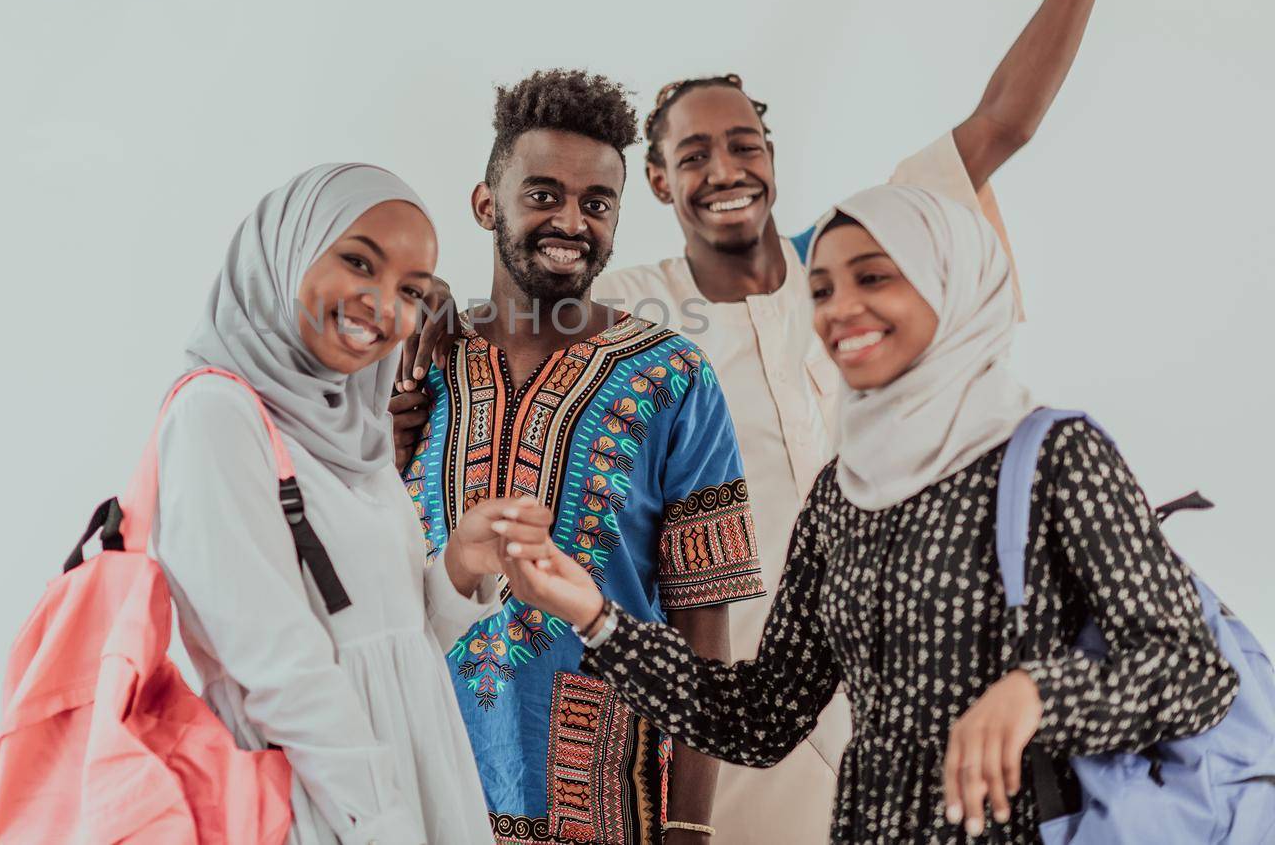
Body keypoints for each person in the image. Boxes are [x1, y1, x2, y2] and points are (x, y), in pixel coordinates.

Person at [554, 0, 1140, 839]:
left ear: (773, 157)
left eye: (744, 145)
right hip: (749, 713)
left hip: (926, 684)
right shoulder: (632, 308)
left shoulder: (863, 271)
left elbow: (1002, 120)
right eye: (693, 154)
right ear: (655, 182)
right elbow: (504, 333)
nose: (724, 169)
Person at [500, 183, 1239, 844]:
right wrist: (596, 613)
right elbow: (762, 716)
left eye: (874, 277)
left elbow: (1195, 671)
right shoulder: (842, 494)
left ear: (949, 284)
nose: (840, 309)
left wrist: (1038, 694)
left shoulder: (1053, 456)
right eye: (820, 289)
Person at [396, 71, 764, 844]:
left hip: (599, 797)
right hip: (420, 789)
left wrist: (691, 826)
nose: (570, 220)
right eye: (542, 195)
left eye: (596, 203)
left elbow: (706, 630)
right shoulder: (416, 361)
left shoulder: (674, 378)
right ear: (485, 203)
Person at [153, 162, 557, 845]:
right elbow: (278, 667)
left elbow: (399, 637)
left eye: (410, 290)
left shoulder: (351, 428)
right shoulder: (217, 414)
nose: (381, 303)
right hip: (326, 798)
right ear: (287, 249)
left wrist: (460, 563)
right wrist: (382, 824)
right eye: (358, 262)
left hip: (415, 769)